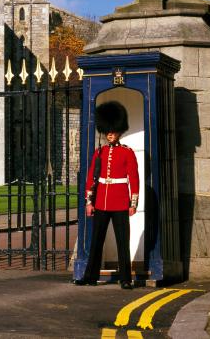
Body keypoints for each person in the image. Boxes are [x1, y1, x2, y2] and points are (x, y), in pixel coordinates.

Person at [74, 101, 139, 289]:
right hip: (101, 201)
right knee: (96, 241)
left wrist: (133, 203)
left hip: (120, 202)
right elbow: (91, 179)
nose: (110, 133)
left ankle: (126, 278)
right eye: (107, 130)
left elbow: (133, 179)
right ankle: (90, 277)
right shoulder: (100, 152)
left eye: (113, 130)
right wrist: (89, 201)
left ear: (119, 131)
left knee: (122, 241)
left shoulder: (127, 153)